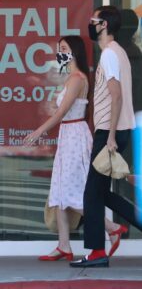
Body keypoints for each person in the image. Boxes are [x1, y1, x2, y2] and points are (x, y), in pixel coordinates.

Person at [70, 6, 142, 268]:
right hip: (116, 130)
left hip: (109, 132)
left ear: (104, 25)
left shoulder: (110, 55)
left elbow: (116, 95)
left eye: (93, 20)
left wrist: (110, 136)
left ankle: (97, 253)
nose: (90, 23)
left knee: (91, 194)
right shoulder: (118, 53)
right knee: (99, 192)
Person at [24, 35, 128, 261]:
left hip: (74, 136)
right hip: (68, 135)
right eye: (59, 48)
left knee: (73, 192)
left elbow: (61, 113)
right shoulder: (71, 78)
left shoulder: (77, 79)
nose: (60, 52)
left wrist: (38, 132)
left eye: (64, 48)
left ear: (75, 52)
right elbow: (59, 109)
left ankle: (110, 227)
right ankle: (64, 245)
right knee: (61, 191)